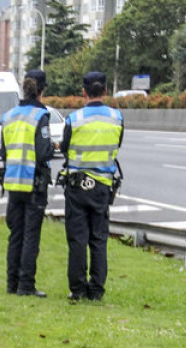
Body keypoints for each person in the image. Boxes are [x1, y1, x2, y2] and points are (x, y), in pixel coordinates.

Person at [59, 71, 124, 301]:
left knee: (77, 239)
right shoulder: (117, 118)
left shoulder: (73, 119)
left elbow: (64, 149)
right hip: (102, 187)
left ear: (83, 92)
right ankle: (96, 290)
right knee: (98, 239)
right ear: (105, 91)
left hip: (77, 187)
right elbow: (117, 146)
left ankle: (77, 289)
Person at [1, 69, 54, 297]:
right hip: (34, 183)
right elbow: (43, 153)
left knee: (15, 235)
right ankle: (26, 285)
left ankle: (12, 284)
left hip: (13, 183)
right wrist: (55, 148)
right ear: (42, 90)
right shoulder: (39, 117)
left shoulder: (9, 115)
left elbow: (4, 152)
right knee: (31, 235)